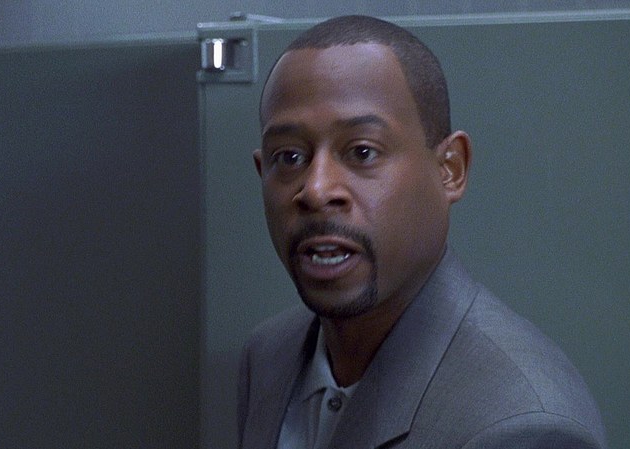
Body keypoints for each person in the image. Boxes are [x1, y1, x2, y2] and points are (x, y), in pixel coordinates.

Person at [238, 15, 606, 449]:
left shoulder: (523, 424)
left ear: (450, 169)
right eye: (289, 157)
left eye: (362, 151)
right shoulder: (269, 355)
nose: (316, 190)